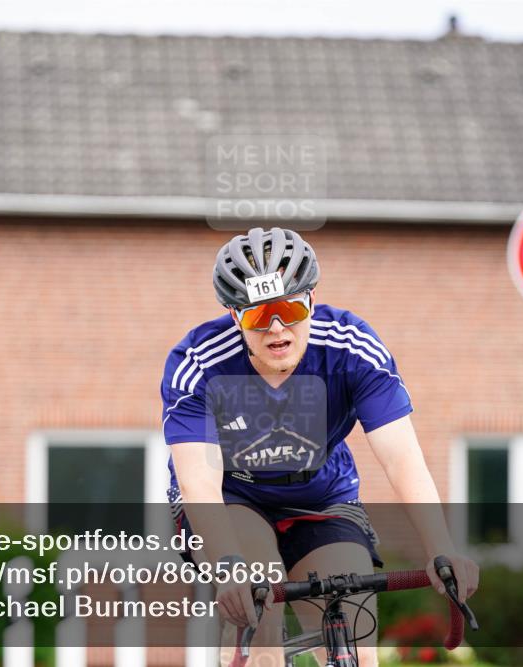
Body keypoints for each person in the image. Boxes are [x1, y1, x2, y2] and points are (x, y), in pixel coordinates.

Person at [160, 227, 479, 665]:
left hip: (321, 494)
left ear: (311, 300)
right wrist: (228, 566)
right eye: (257, 316)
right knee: (260, 614)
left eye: (290, 309)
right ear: (234, 316)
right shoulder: (198, 362)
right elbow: (199, 480)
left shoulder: (351, 347)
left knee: (355, 632)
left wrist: (440, 545)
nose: (277, 329)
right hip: (233, 494)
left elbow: (402, 458)